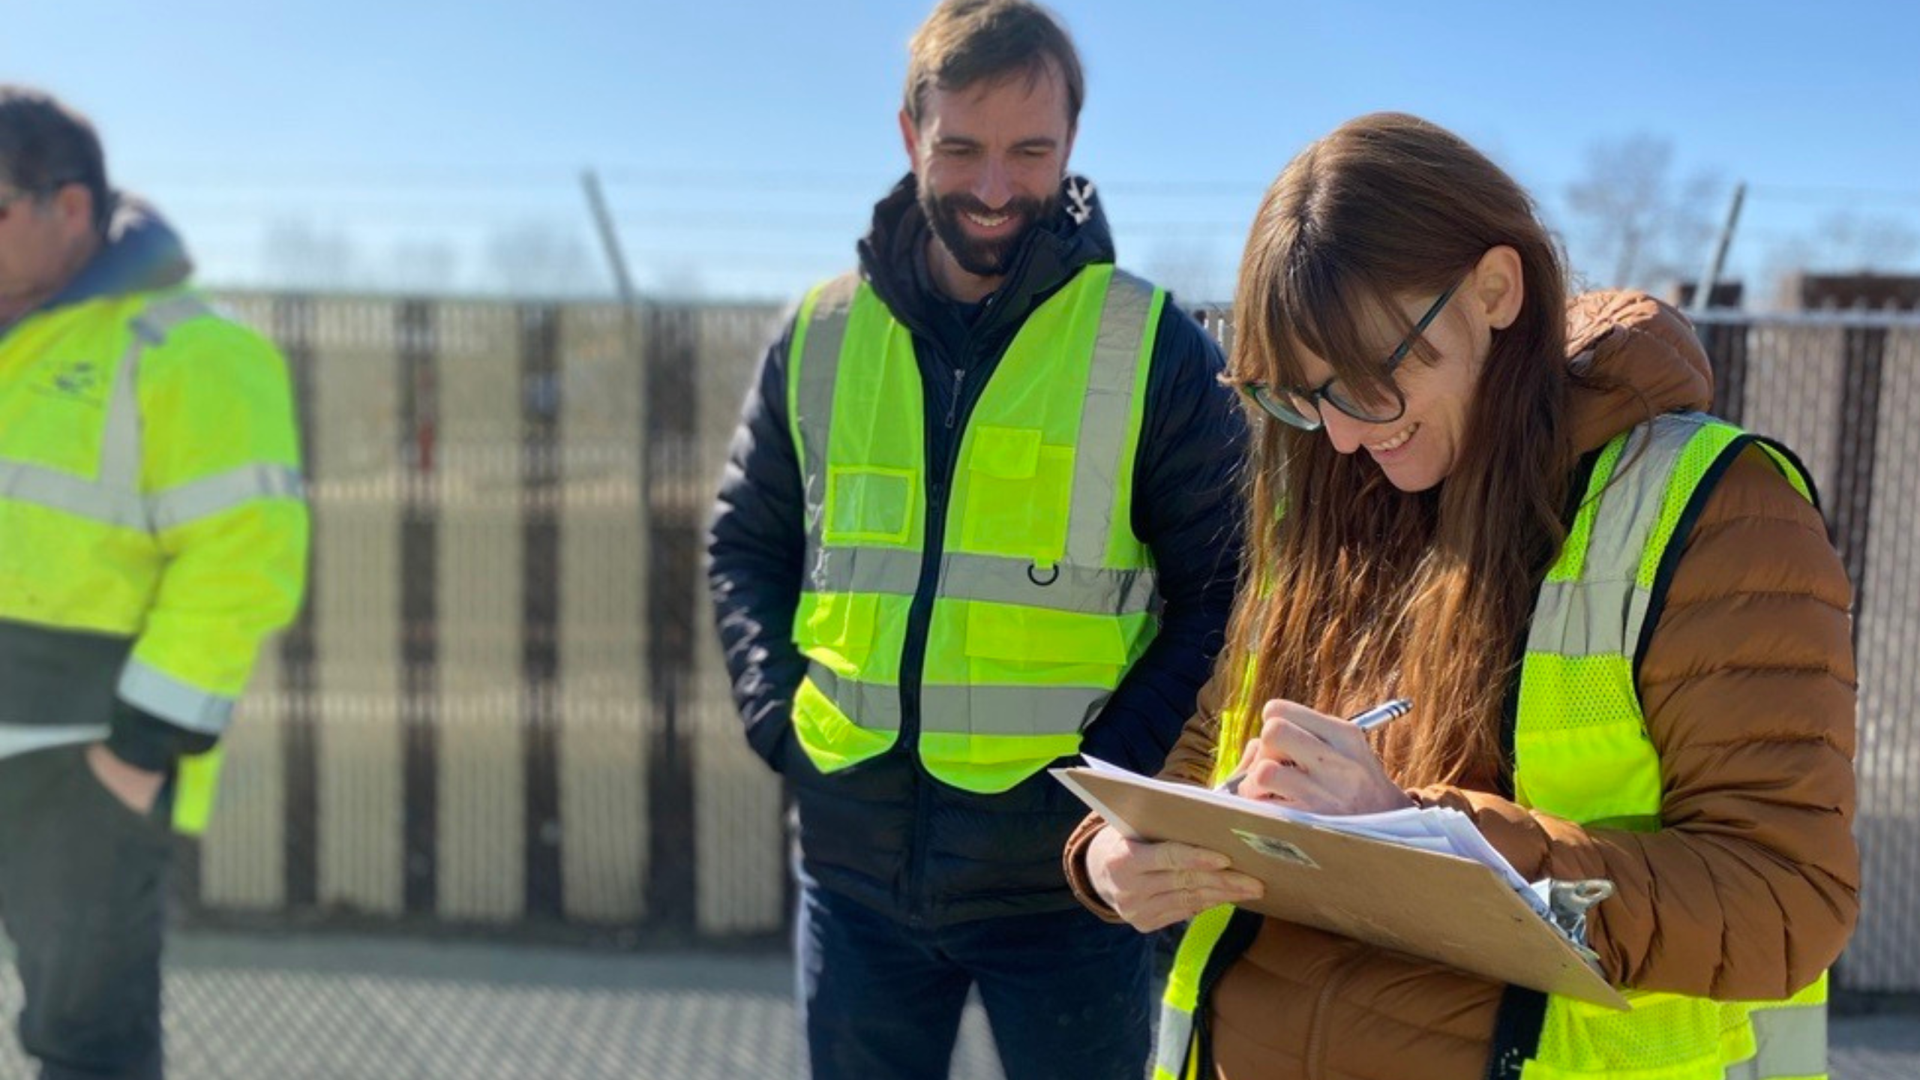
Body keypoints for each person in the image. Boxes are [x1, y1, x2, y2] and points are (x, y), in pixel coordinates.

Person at [1068, 112, 1858, 1080]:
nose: (1345, 436)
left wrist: (1441, 843)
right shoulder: (1332, 493)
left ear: (1495, 290)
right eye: (1302, 397)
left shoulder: (1713, 509)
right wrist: (1115, 858)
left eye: (1369, 380)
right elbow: (1210, 757)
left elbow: (1787, 899)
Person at [706, 2, 1243, 1076]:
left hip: (1069, 896)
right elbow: (746, 546)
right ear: (910, 136)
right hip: (852, 880)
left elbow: (1228, 595)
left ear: (1071, 146)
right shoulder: (817, 336)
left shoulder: (1154, 348)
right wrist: (781, 724)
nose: (995, 189)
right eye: (961, 149)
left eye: (1029, 151)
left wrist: (1108, 786)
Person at [0, 86, 309, 1080]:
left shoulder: (192, 354)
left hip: (77, 768)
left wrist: (135, 758)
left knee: (87, 1047)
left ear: (72, 209)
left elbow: (239, 571)